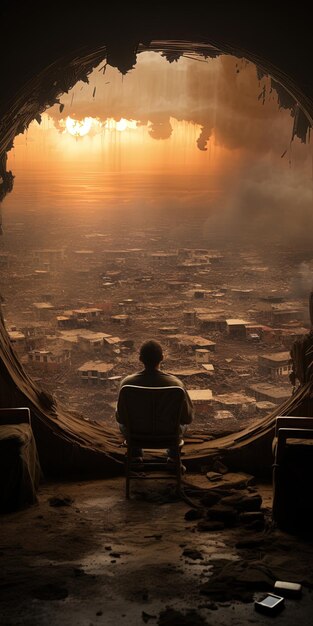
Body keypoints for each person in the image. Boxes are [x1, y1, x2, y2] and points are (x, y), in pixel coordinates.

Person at [116, 339, 194, 462]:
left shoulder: (127, 383)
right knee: (182, 425)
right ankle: (173, 457)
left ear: (140, 358)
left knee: (122, 425)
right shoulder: (176, 384)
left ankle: (136, 456)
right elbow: (187, 418)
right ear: (162, 357)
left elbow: (121, 418)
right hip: (169, 435)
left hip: (136, 435)